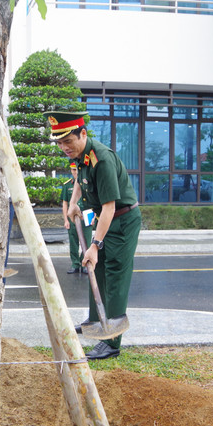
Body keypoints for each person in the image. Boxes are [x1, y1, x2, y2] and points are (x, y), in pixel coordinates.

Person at [46, 110, 141, 360]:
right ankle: (94, 320)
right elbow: (79, 180)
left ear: (83, 133)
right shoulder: (81, 155)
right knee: (95, 270)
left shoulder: (102, 159)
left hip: (122, 220)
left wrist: (95, 245)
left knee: (115, 275)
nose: (64, 147)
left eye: (68, 141)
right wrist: (75, 202)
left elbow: (110, 206)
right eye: (60, 142)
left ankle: (111, 341)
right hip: (104, 218)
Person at [61, 161, 92, 275]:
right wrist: (65, 220)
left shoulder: (87, 183)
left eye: (77, 169)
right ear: (71, 170)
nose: (75, 172)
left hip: (86, 215)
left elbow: (93, 201)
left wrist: (93, 216)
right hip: (72, 217)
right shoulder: (67, 185)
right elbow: (65, 204)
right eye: (73, 170)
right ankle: (75, 264)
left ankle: (84, 263)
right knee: (73, 241)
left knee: (87, 241)